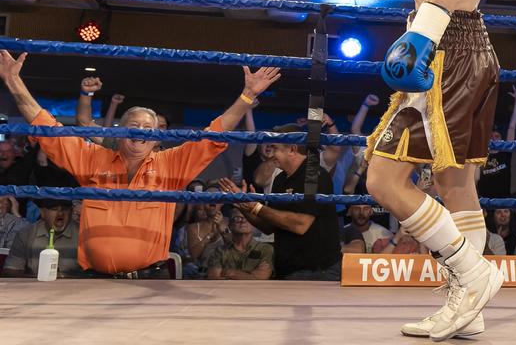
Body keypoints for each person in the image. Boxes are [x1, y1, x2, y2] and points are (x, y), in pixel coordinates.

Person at [351, 0, 501, 340]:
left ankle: (474, 273)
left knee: (383, 178)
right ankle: (470, 307)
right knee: (455, 182)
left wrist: (422, 34)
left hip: (446, 45)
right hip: (461, 42)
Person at [0, 51, 275, 278]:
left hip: (151, 279)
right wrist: (13, 81)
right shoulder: (92, 158)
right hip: (96, 279)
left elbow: (216, 134)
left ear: (156, 138)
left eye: (147, 127)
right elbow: (47, 127)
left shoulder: (172, 163)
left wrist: (247, 96)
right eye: (133, 126)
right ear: (118, 132)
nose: (140, 131)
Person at [218, 124, 341, 280]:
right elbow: (269, 226)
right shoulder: (280, 179)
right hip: (288, 268)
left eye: (275, 148)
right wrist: (242, 204)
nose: (271, 154)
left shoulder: (314, 176)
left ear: (292, 149)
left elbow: (300, 225)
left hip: (317, 270)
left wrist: (255, 206)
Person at [2, 199, 81, 278]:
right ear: (42, 213)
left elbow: (92, 274)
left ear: (71, 212)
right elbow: (11, 270)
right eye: (54, 209)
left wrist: (64, 278)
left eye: (65, 209)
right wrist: (41, 278)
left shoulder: (83, 235)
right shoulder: (26, 234)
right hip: (33, 288)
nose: (60, 213)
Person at [477, 86, 516, 200]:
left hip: (503, 203)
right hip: (484, 204)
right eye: (491, 137)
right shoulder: (480, 155)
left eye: (497, 136)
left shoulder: (505, 153)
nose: (494, 138)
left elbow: (511, 128)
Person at [206, 208, 273, 280]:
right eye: (237, 218)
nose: (243, 221)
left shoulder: (265, 249)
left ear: (254, 225)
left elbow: (260, 278)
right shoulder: (220, 251)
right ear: (230, 224)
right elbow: (214, 278)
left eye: (248, 218)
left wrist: (231, 273)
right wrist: (247, 276)